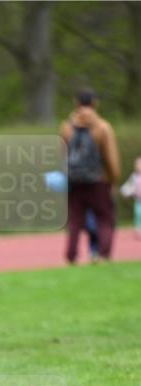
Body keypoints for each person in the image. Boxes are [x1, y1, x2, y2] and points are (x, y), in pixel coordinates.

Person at [60, 89, 120, 264]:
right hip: (98, 180)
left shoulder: (66, 126)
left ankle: (71, 257)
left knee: (75, 220)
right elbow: (110, 157)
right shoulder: (102, 127)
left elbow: (62, 155)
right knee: (104, 217)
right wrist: (112, 179)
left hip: (74, 180)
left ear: (76, 103)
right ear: (95, 103)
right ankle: (103, 255)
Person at [120, 157, 141, 239]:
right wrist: (125, 191)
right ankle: (138, 229)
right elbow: (129, 186)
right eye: (137, 165)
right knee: (138, 214)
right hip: (138, 200)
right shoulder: (134, 176)